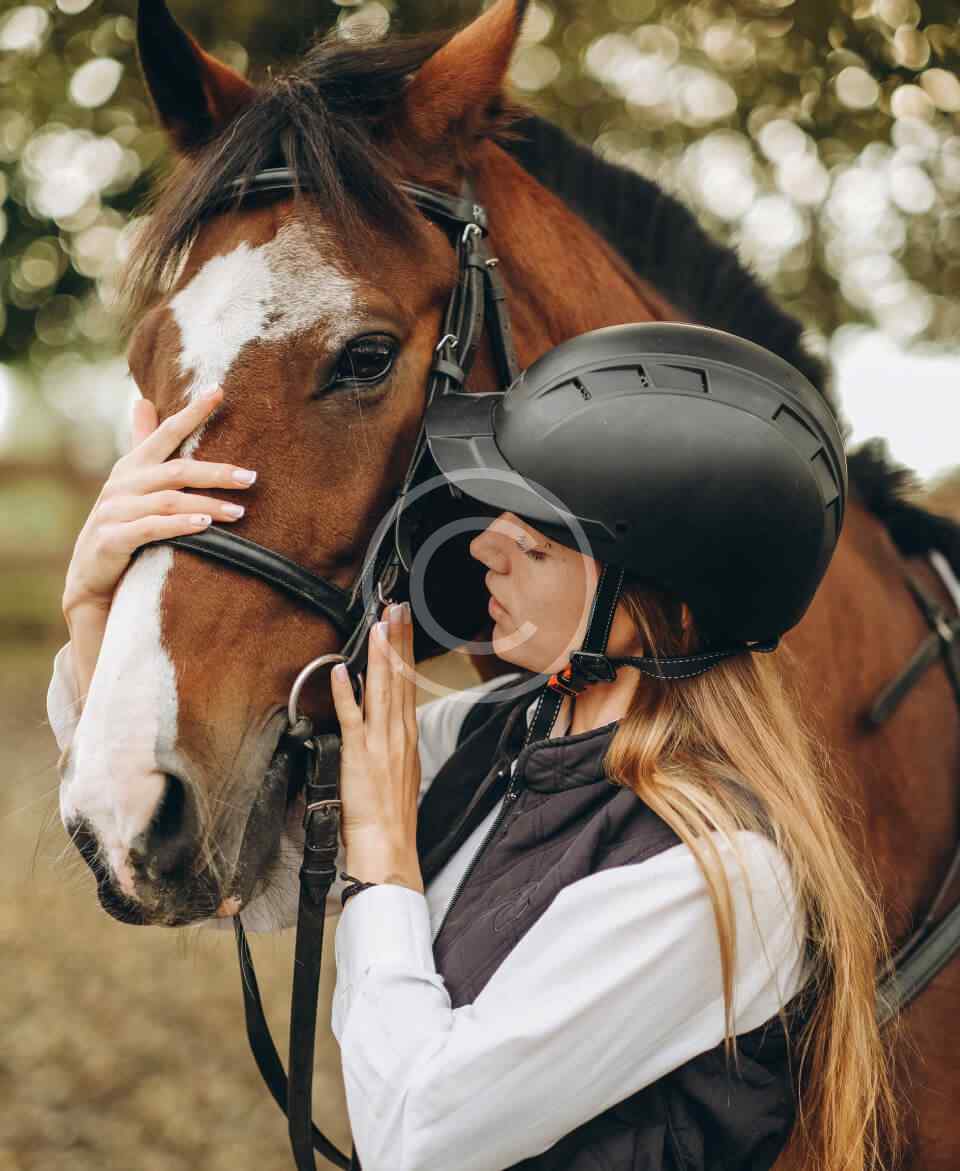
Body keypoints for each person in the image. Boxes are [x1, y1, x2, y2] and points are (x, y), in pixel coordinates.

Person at [47, 324, 898, 1171]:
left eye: (533, 538)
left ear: (657, 606)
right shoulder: (504, 730)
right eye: (495, 512)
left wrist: (386, 861)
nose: (484, 546)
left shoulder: (722, 873)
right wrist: (95, 603)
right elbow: (234, 846)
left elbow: (418, 1138)